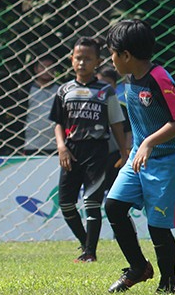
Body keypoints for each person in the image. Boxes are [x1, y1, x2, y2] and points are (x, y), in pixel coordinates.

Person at [104, 19, 175, 294]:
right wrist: (138, 146)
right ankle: (138, 267)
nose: (111, 58)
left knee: (158, 224)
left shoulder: (159, 78)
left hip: (170, 155)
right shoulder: (130, 78)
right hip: (140, 154)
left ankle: (169, 282)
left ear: (126, 55)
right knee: (114, 206)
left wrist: (149, 143)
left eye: (112, 52)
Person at [50, 38, 128, 263]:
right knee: (65, 203)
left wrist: (124, 152)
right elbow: (58, 123)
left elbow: (116, 124)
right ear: (71, 60)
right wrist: (61, 147)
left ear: (98, 61)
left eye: (88, 58)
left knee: (91, 203)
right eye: (78, 58)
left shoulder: (106, 91)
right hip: (71, 151)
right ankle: (86, 243)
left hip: (97, 151)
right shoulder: (64, 90)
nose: (82, 62)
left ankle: (90, 253)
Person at [23, 56, 57, 154]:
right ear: (36, 69)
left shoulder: (61, 90)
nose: (46, 70)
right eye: (42, 67)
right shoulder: (26, 91)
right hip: (31, 144)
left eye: (50, 67)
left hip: (55, 145)